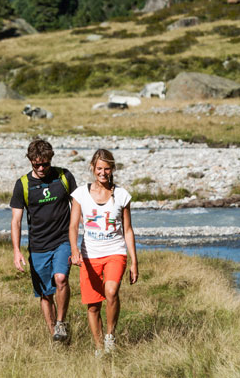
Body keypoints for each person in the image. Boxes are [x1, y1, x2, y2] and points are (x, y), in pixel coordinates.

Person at [69, 149, 138, 356]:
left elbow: (127, 230)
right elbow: (73, 226)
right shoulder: (80, 194)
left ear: (112, 169)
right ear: (93, 168)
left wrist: (134, 262)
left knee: (111, 292)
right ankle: (99, 348)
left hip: (115, 252)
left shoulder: (122, 195)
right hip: (89, 256)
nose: (103, 172)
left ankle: (110, 337)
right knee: (92, 306)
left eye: (107, 169)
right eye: (99, 168)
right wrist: (74, 249)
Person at [11, 139, 78, 342]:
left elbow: (78, 208)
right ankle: (55, 337)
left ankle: (61, 323)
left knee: (61, 279)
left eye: (45, 164)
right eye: (36, 164)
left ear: (51, 159)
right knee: (46, 295)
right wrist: (16, 251)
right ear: (30, 161)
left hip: (62, 241)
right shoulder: (22, 184)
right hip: (38, 246)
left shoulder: (64, 177)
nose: (41, 168)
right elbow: (16, 221)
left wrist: (83, 241)